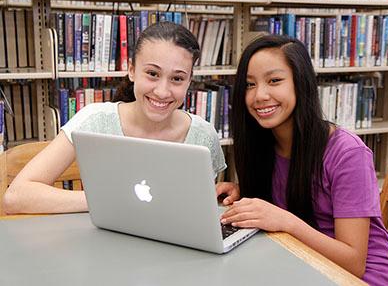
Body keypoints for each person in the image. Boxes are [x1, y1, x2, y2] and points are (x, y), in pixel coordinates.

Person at [216, 35, 388, 285]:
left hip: (361, 278)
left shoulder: (348, 153)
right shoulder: (262, 144)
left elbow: (354, 263)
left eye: (274, 80)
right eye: (249, 85)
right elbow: (290, 195)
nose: (259, 95)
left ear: (301, 83)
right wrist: (244, 195)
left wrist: (284, 220)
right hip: (301, 262)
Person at [3, 21, 226, 214]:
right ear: (131, 70)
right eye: (152, 74)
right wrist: (108, 201)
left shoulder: (204, 136)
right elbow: (16, 196)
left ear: (189, 81)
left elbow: (200, 210)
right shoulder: (94, 120)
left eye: (177, 79)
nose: (162, 91)